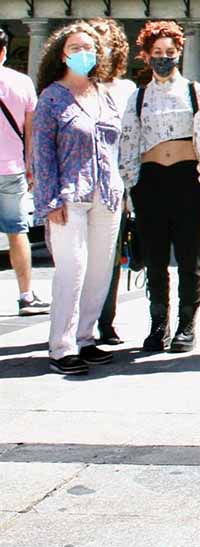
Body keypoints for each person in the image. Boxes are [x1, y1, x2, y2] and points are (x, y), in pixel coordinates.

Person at [118, 20, 200, 352]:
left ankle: (187, 323)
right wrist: (131, 185)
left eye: (169, 52)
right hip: (151, 183)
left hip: (187, 181)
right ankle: (159, 322)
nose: (163, 58)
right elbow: (129, 142)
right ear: (146, 56)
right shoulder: (138, 96)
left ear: (179, 53)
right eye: (157, 52)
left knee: (189, 257)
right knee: (156, 258)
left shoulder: (194, 91)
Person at [31, 22, 123, 375]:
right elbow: (42, 153)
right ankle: (61, 345)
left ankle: (86, 337)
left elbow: (117, 145)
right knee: (73, 269)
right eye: (75, 47)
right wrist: (49, 200)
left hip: (107, 195)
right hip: (69, 196)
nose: (84, 52)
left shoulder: (104, 94)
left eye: (90, 47)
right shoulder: (52, 98)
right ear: (62, 53)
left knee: (100, 271)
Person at [90, 17, 136, 348]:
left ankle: (105, 321)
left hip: (113, 186)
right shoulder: (72, 86)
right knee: (77, 258)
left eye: (104, 42)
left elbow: (131, 141)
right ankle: (78, 322)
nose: (99, 49)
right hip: (77, 186)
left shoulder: (126, 90)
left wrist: (128, 189)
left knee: (109, 257)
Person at [0, 27, 48, 317]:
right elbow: (31, 132)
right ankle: (26, 296)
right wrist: (32, 168)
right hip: (13, 169)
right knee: (18, 233)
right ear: (4, 51)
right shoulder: (22, 83)